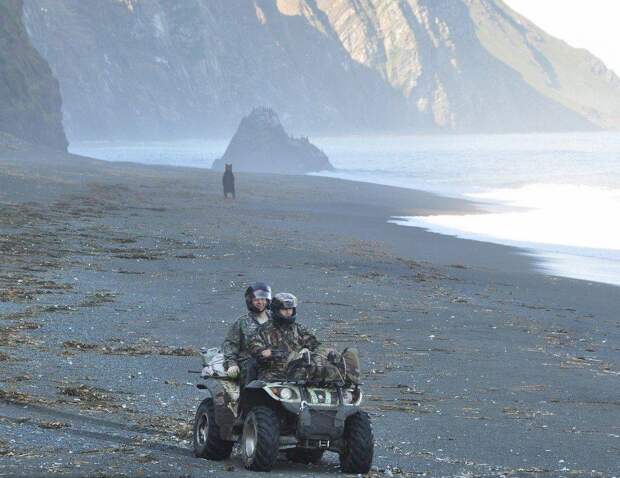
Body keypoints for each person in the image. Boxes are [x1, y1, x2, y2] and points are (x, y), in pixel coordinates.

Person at [248, 292, 321, 381]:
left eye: (290, 309)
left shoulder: (299, 329)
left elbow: (316, 345)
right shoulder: (263, 330)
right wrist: (264, 352)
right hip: (273, 373)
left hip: (299, 372)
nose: (288, 312)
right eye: (284, 309)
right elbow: (255, 347)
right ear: (276, 310)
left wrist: (307, 351)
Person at [221, 282, 272, 383]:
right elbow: (230, 345)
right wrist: (232, 364)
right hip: (249, 363)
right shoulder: (242, 322)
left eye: (263, 299)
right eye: (256, 300)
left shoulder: (276, 320)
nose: (260, 302)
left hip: (273, 360)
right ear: (250, 301)